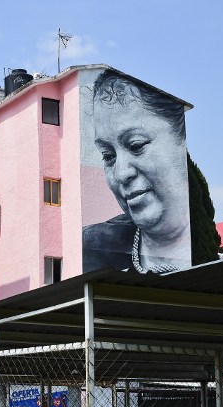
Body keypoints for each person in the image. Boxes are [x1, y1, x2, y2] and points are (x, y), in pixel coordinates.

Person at [83, 70, 191, 274]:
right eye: (108, 156)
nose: (121, 174)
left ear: (180, 142)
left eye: (136, 145)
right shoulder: (90, 248)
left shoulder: (204, 244)